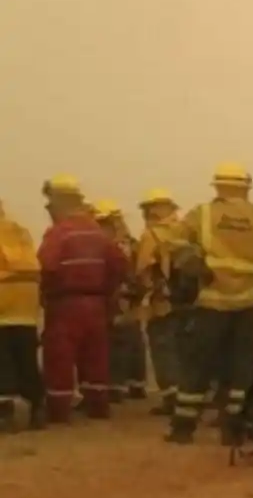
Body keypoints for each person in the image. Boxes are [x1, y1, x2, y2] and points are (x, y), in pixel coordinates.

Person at [164, 162, 253, 445]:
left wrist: (196, 267)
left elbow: (172, 241)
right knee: (242, 367)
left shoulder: (202, 214)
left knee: (197, 365)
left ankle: (183, 428)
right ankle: (233, 429)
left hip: (213, 299)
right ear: (246, 188)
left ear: (217, 186)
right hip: (252, 299)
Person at [37, 175, 128, 423]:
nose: (49, 210)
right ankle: (98, 406)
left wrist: (44, 294)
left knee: (60, 356)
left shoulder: (58, 233)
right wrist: (107, 291)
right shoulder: (97, 232)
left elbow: (46, 266)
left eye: (50, 205)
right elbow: (119, 264)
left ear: (60, 202)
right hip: (97, 304)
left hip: (65, 304)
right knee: (96, 355)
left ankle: (58, 410)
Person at [133, 187, 195, 416]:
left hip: (163, 302)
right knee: (185, 349)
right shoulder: (186, 231)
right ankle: (190, 396)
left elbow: (143, 270)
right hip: (189, 302)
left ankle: (171, 397)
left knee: (163, 348)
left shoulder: (152, 235)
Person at [92, 199, 148, 403]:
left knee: (118, 339)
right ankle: (136, 383)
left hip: (120, 295)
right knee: (133, 338)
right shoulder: (130, 241)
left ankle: (117, 386)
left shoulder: (115, 244)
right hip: (132, 294)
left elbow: (122, 271)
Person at [0, 198, 46, 431]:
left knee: (3, 363)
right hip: (26, 306)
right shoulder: (19, 231)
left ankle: (6, 413)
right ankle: (38, 406)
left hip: (3, 305)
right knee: (26, 360)